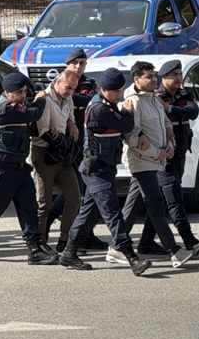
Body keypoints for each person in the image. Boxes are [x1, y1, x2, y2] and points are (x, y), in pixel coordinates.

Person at [59, 67, 151, 276]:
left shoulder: (108, 105)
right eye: (116, 92)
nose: (120, 95)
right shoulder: (100, 109)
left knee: (88, 214)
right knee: (113, 214)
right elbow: (126, 125)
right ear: (104, 90)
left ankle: (69, 252)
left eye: (121, 91)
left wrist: (121, 111)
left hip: (104, 169)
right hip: (97, 170)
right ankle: (132, 258)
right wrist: (126, 111)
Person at [0, 72, 56, 265]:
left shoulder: (18, 107)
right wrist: (40, 100)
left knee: (29, 208)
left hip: (21, 167)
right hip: (3, 170)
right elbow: (34, 113)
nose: (23, 95)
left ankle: (33, 249)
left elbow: (29, 126)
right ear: (7, 93)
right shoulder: (4, 109)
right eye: (19, 92)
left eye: (25, 91)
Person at [120, 61, 199, 268]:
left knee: (133, 207)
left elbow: (165, 124)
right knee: (156, 204)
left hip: (157, 160)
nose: (153, 80)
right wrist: (159, 153)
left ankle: (117, 244)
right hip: (143, 160)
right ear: (136, 79)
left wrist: (170, 143)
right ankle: (174, 251)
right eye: (148, 77)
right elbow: (133, 137)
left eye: (154, 76)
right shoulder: (133, 101)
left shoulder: (154, 97)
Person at [137, 59, 199, 257]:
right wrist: (170, 111)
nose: (179, 78)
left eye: (180, 74)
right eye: (175, 75)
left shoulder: (185, 94)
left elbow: (193, 112)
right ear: (164, 77)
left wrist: (170, 109)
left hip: (180, 153)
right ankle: (188, 240)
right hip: (164, 156)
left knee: (160, 200)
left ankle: (145, 242)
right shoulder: (156, 96)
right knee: (175, 199)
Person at [47, 48, 106, 252]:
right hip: (66, 142)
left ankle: (85, 234)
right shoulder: (58, 81)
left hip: (86, 140)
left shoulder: (88, 83)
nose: (79, 67)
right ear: (67, 64)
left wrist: (74, 97)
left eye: (82, 63)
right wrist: (76, 98)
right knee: (78, 189)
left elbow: (91, 99)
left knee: (83, 189)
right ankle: (57, 224)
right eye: (75, 63)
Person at [32, 69, 82, 251]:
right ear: (57, 82)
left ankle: (65, 239)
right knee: (43, 202)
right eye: (68, 88)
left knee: (74, 196)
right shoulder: (44, 98)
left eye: (73, 89)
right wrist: (61, 138)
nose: (70, 92)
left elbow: (70, 118)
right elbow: (43, 130)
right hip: (44, 152)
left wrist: (72, 124)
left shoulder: (68, 97)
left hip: (62, 152)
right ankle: (40, 242)